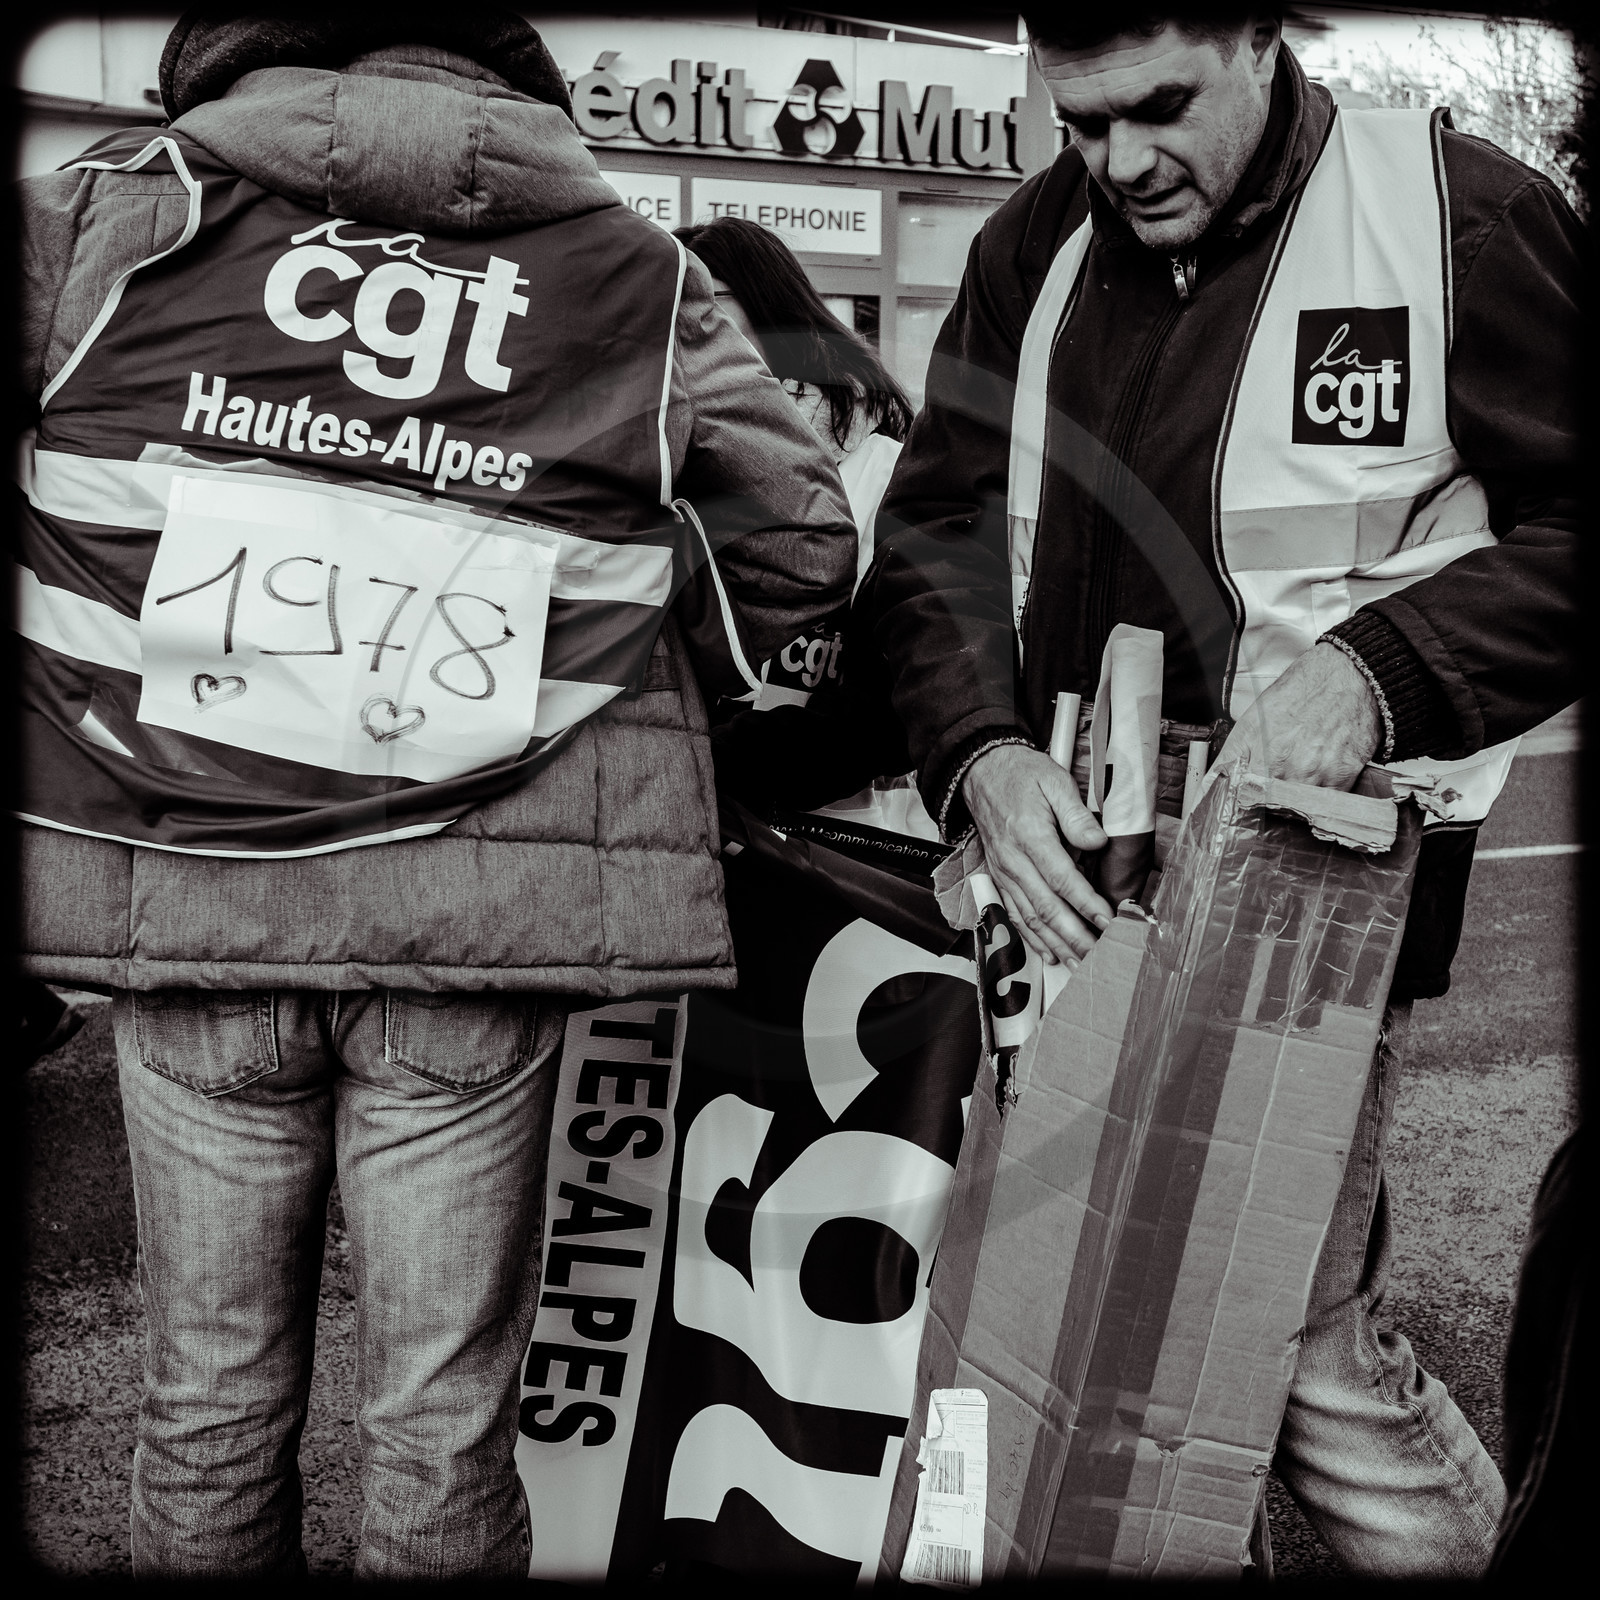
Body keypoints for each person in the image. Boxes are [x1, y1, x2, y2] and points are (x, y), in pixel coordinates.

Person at [13, 4, 855, 1578]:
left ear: (233, 57)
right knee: (443, 1420)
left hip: (189, 897)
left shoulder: (105, 215)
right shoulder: (637, 272)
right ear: (505, 82)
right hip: (483, 920)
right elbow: (801, 545)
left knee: (201, 1404)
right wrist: (636, 661)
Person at [859, 6, 1581, 1579]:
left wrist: (1384, 668)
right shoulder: (1027, 250)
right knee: (1105, 1327)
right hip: (1061, 900)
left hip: (1314, 908)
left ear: (1259, 41)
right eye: (1080, 123)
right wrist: (980, 756)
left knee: (1287, 1344)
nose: (1117, 161)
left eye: (1157, 107)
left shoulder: (1463, 219)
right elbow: (933, 542)